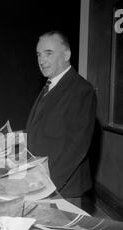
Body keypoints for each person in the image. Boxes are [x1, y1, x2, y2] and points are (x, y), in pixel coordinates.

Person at [26, 31, 96, 205]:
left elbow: (77, 146)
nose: (42, 60)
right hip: (40, 180)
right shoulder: (50, 84)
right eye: (39, 55)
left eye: (48, 53)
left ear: (67, 55)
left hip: (62, 187)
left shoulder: (81, 90)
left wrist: (46, 184)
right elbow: (41, 129)